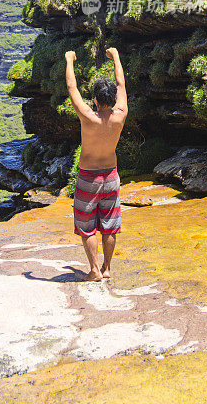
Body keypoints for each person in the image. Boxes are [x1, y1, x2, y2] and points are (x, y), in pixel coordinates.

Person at [65, 47, 128, 281]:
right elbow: (121, 85)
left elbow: (72, 88)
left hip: (88, 178)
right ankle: (107, 268)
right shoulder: (120, 114)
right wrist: (117, 57)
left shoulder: (88, 117)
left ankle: (93, 271)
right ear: (112, 99)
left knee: (86, 225)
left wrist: (70, 60)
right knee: (110, 225)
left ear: (94, 99)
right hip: (111, 176)